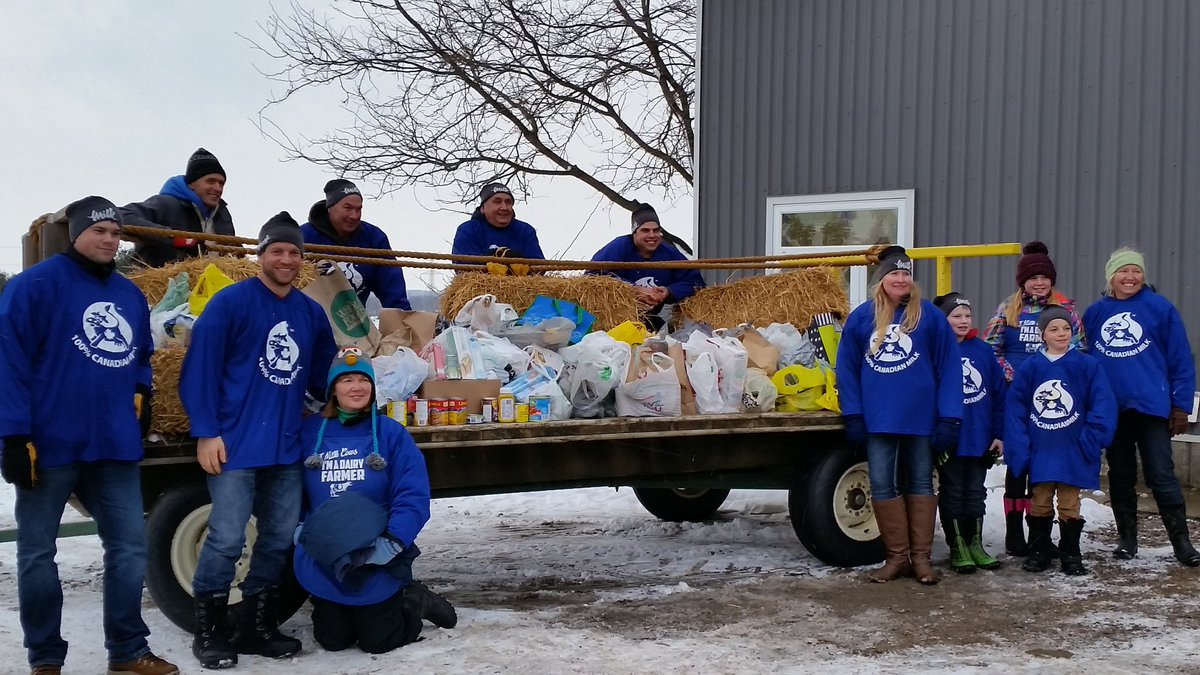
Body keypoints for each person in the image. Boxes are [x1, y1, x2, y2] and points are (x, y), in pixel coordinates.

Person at [0, 197, 178, 675]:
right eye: (99, 231)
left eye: (116, 233)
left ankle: (127, 651)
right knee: (38, 553)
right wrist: (13, 436)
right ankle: (45, 659)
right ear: (77, 233)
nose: (109, 239)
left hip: (113, 444)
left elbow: (141, 355)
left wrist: (143, 397)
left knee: (130, 547)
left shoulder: (128, 294)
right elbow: (8, 364)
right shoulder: (33, 288)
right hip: (49, 445)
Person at [180, 212, 338, 669]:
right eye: (277, 251)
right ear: (260, 255)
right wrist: (206, 432)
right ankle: (208, 630)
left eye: (293, 252)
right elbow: (199, 372)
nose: (286, 259)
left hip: (286, 447)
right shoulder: (230, 304)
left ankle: (254, 624)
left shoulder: (308, 312)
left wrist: (348, 379)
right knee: (227, 539)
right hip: (234, 444)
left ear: (302, 259)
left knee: (277, 538)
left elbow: (321, 370)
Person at [294, 347, 457, 654]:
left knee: (378, 642)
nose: (356, 387)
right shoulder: (309, 433)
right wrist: (299, 528)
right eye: (346, 380)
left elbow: (412, 495)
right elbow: (290, 489)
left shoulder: (391, 434)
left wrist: (393, 541)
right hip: (328, 556)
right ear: (332, 389)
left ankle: (413, 599)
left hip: (378, 555)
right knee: (333, 641)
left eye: (363, 380)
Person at [836, 246, 962, 585]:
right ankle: (896, 558)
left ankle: (921, 559)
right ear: (882, 279)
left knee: (921, 482)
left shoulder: (929, 317)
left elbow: (949, 367)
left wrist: (950, 416)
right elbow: (846, 368)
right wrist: (854, 413)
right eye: (895, 273)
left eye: (906, 274)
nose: (901, 279)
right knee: (882, 484)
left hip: (921, 418)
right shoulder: (862, 317)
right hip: (878, 418)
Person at [1082, 248, 1200, 567]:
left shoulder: (1160, 309)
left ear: (1143, 276)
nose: (1130, 277)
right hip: (1112, 409)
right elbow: (1084, 362)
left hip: (1151, 407)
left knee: (1161, 474)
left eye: (1136, 271)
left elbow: (1180, 360)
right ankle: (1127, 540)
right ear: (1111, 276)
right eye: (1124, 271)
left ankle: (1182, 544)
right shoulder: (1095, 313)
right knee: (1120, 475)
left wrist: (1180, 406)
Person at [981, 241, 1084, 557]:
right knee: (1017, 468)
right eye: (1032, 277)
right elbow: (991, 349)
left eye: (1044, 277)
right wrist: (1013, 373)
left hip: (1052, 402)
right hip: (1018, 400)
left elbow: (1079, 351)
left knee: (1044, 470)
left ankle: (1043, 537)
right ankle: (1015, 536)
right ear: (1022, 281)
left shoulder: (1066, 311)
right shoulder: (1007, 309)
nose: (1039, 282)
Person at [1004, 306, 1117, 575]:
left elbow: (1102, 403)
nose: (1061, 333)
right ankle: (1040, 549)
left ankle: (1070, 552)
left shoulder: (1087, 365)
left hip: (1072, 447)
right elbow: (1017, 408)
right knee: (1040, 500)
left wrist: (1091, 438)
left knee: (1069, 502)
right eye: (1054, 329)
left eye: (1066, 328)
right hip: (1042, 447)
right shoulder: (1031, 368)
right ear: (1042, 334)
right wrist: (1020, 446)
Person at [932, 292, 1005, 574]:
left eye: (967, 316)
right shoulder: (936, 351)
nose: (963, 321)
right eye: (956, 316)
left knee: (975, 492)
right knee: (952, 491)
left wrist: (998, 433)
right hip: (950, 439)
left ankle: (976, 543)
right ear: (944, 320)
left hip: (979, 436)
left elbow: (999, 395)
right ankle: (957, 546)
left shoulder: (982, 351)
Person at [300, 179, 412, 310]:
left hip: (354, 323)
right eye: (347, 208)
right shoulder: (303, 237)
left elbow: (393, 289)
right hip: (312, 318)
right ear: (330, 208)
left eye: (358, 209)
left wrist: (404, 320)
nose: (354, 216)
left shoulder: (374, 238)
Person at [589, 204, 705, 329]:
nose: (652, 235)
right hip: (616, 321)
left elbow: (695, 282)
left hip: (650, 318)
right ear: (634, 233)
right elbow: (593, 275)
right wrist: (634, 290)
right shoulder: (619, 247)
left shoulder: (669, 253)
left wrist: (668, 292)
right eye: (645, 230)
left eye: (656, 230)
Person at [120, 148, 235, 267]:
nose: (218, 188)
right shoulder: (166, 204)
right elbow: (121, 216)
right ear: (191, 184)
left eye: (221, 183)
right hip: (167, 283)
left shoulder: (222, 213)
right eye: (211, 181)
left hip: (217, 282)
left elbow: (235, 251)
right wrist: (172, 237)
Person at [452, 182, 545, 271]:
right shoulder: (468, 230)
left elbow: (539, 266)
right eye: (497, 202)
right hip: (481, 286)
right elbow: (463, 266)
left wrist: (520, 266)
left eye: (508, 202)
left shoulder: (525, 231)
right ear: (483, 208)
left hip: (524, 286)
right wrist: (492, 262)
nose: (504, 207)